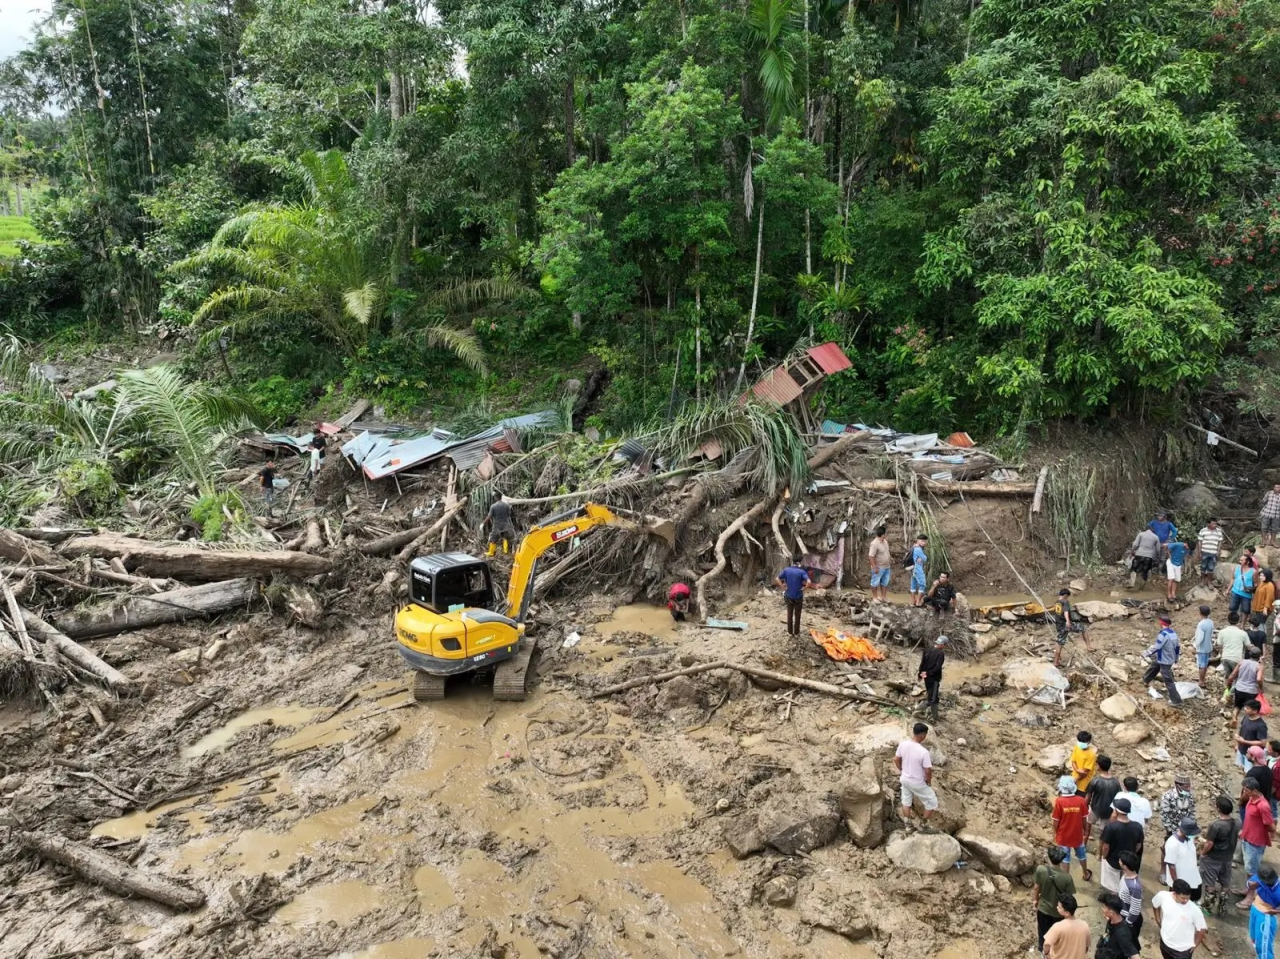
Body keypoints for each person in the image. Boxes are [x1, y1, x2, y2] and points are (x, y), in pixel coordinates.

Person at [1200, 796, 1240, 916]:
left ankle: (1207, 908)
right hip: (1227, 858)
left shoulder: (1215, 825)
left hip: (1213, 858)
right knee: (1225, 883)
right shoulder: (1237, 822)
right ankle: (1222, 909)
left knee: (1210, 883)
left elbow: (1209, 843)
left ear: (1218, 809)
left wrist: (1203, 853)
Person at [1033, 847, 1077, 951]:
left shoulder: (1041, 870)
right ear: (1061, 860)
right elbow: (1069, 896)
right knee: (1057, 934)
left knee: (1043, 932)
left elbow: (1036, 887)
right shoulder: (1067, 878)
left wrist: (1035, 900)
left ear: (1049, 858)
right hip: (1059, 912)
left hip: (1043, 908)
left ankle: (1042, 950)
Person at [1152, 878, 1207, 959]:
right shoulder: (1163, 896)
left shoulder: (1194, 910)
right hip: (1165, 943)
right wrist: (1158, 919)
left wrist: (1195, 945)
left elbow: (1202, 929)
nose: (1186, 900)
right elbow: (1155, 904)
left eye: (1188, 898)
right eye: (1183, 898)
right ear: (1175, 893)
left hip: (1182, 951)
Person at [894, 722, 937, 825]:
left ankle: (907, 825)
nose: (925, 737)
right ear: (922, 735)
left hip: (904, 779)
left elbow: (896, 759)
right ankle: (923, 825)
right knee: (932, 802)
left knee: (906, 801)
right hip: (917, 782)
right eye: (925, 735)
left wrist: (902, 770)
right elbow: (927, 771)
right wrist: (929, 782)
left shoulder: (903, 744)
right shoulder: (923, 752)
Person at [1100, 798, 1145, 894]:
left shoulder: (1111, 827)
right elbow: (1139, 845)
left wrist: (1104, 856)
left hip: (1112, 861)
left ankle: (1115, 901)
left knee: (1113, 887)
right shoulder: (1137, 826)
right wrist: (1131, 854)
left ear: (1116, 811)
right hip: (1128, 862)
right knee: (1124, 882)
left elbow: (1106, 847)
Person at [1240, 776, 1277, 890]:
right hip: (1247, 838)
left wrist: (1261, 829)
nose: (1244, 792)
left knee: (1253, 871)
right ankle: (1248, 890)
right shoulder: (1251, 799)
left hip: (1255, 842)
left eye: (1246, 790)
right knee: (1248, 868)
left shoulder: (1263, 806)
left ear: (1255, 791)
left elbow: (1271, 827)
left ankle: (1252, 896)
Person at [1053, 775, 1091, 882]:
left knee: (1065, 859)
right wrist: (1086, 830)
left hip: (1063, 836)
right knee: (1082, 855)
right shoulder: (1081, 801)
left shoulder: (1059, 802)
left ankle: (1066, 880)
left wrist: (1055, 833)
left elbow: (1056, 821)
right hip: (1077, 835)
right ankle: (1085, 873)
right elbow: (1084, 819)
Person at [1142, 616, 1183, 707]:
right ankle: (1146, 679)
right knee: (1155, 665)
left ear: (1162, 623)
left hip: (1165, 660)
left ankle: (1177, 701)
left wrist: (1147, 653)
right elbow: (1177, 647)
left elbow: (1157, 647)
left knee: (1168, 680)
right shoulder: (1173, 633)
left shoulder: (1163, 634)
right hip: (1169, 658)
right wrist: (1176, 658)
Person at [1244, 865, 1280, 959]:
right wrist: (1251, 885)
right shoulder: (1262, 875)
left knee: (1264, 948)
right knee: (1254, 938)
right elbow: (1249, 883)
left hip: (1265, 917)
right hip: (1254, 909)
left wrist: (1276, 911)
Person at [1052, 588, 1093, 668]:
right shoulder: (1065, 602)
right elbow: (1066, 612)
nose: (1067, 598)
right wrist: (1068, 621)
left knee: (1059, 643)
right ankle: (1088, 646)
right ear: (1065, 595)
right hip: (1065, 624)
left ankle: (1056, 662)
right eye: (1067, 597)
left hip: (1059, 625)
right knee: (1083, 628)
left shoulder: (1056, 603)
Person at [1162, 819, 1202, 900]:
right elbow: (1171, 865)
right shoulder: (1172, 844)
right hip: (1181, 881)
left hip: (1192, 876)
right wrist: (1177, 884)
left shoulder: (1189, 839)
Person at [1084, 753, 1120, 843]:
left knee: (1087, 831)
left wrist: (1084, 807)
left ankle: (1083, 847)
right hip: (1108, 811)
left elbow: (1088, 797)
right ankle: (1100, 855)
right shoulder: (1116, 782)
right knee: (1103, 835)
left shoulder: (1095, 781)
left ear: (1099, 766)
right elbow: (1118, 798)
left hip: (1094, 808)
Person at [1043, 893, 1091, 959]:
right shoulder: (1085, 926)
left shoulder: (1057, 927)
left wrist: (1046, 954)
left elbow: (1046, 944)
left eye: (1059, 907)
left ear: (1067, 913)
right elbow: (1086, 948)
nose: (1057, 907)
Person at [1096, 893, 1141, 959]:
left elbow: (1135, 956)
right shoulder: (1113, 919)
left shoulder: (1122, 934)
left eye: (1104, 907)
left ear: (1111, 912)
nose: (1102, 909)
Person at [775, 555, 812, 636]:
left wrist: (783, 587)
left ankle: (789, 632)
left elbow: (777, 578)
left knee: (789, 614)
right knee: (797, 614)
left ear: (793, 562)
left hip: (789, 595)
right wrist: (804, 589)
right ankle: (797, 632)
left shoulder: (786, 570)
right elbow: (809, 582)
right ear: (799, 563)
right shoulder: (801, 572)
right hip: (798, 596)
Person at [1231, 648, 1266, 722]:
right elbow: (1259, 679)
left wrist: (1228, 684)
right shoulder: (1259, 666)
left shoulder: (1242, 662)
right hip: (1251, 691)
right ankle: (1246, 722)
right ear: (1259, 656)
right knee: (1249, 708)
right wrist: (1261, 688)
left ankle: (1234, 718)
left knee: (1237, 706)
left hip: (1239, 688)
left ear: (1249, 654)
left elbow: (1233, 674)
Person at [918, 635, 947, 722]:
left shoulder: (927, 650)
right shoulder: (940, 653)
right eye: (945, 645)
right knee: (932, 699)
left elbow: (922, 663)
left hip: (926, 677)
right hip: (934, 679)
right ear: (942, 645)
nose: (945, 647)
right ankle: (917, 711)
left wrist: (920, 674)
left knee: (933, 696)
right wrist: (928, 673)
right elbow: (937, 668)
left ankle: (935, 716)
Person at [1159, 774, 1195, 843]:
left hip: (1187, 830)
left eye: (1189, 786)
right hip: (1173, 832)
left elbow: (1192, 811)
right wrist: (1171, 831)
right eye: (1186, 787)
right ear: (1178, 786)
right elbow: (1164, 816)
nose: (1189, 788)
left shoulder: (1190, 795)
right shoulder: (1168, 796)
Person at [1117, 851, 1144, 943]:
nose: (1119, 862)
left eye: (1120, 861)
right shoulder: (1125, 875)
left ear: (1125, 866)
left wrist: (1127, 923)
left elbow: (1135, 909)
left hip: (1127, 919)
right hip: (1121, 914)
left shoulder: (1134, 886)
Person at [1245, 745, 1275, 823]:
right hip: (1265, 803)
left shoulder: (1251, 773)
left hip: (1253, 804)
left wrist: (1241, 802)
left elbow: (1246, 792)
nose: (1246, 754)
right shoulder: (1268, 770)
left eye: (1248, 753)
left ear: (1253, 757)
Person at [1239, 700, 1270, 773]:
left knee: (1250, 772)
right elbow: (1241, 729)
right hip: (1242, 749)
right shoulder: (1246, 717)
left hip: (1253, 756)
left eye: (1247, 708)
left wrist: (1244, 741)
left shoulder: (1261, 726)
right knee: (1243, 767)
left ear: (1255, 711)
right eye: (1245, 707)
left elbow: (1262, 742)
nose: (1244, 709)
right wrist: (1237, 744)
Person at [484, 492, 516, 557]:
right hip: (505, 524)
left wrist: (483, 523)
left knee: (493, 538)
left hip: (497, 525)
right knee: (505, 537)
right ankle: (505, 551)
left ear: (495, 497)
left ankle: (491, 552)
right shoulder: (506, 505)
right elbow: (508, 514)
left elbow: (489, 516)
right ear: (501, 497)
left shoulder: (493, 506)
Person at [1197, 518, 1225, 586]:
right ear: (1208, 524)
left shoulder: (1218, 531)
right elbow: (1200, 542)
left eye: (1215, 524)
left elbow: (1220, 542)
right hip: (1204, 551)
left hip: (1213, 552)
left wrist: (1218, 551)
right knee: (1203, 566)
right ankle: (1202, 580)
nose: (1214, 525)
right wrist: (1199, 552)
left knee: (1211, 567)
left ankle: (1209, 581)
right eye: (1213, 524)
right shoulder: (1203, 530)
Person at [1222, 611, 1251, 678]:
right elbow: (1248, 647)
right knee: (1237, 677)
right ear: (1238, 621)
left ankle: (1227, 688)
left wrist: (1222, 654)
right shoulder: (1243, 633)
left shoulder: (1222, 632)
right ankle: (1235, 688)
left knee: (1227, 677)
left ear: (1228, 620)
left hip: (1225, 657)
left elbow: (1220, 645)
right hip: (1236, 658)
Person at [867, 525, 891, 602]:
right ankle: (875, 597)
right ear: (883, 535)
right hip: (879, 567)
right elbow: (871, 556)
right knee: (875, 582)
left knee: (885, 582)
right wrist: (874, 567)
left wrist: (891, 558)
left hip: (887, 566)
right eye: (885, 534)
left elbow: (886, 552)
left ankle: (883, 597)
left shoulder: (885, 542)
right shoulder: (874, 544)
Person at [1072, 731, 1100, 795]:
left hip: (1082, 785)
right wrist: (1077, 770)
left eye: (1083, 742)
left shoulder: (1091, 755)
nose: (1081, 743)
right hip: (1073, 779)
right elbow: (1073, 761)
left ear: (1089, 742)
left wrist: (1075, 780)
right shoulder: (1077, 747)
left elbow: (1085, 773)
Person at [1195, 606, 1215, 685]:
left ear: (1200, 613)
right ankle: (1203, 679)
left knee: (1201, 665)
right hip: (1208, 646)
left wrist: (1196, 646)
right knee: (1205, 664)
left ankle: (1201, 681)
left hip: (1202, 648)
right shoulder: (1210, 622)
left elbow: (1199, 637)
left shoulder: (1201, 624)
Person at [1165, 536, 1189, 602]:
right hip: (1171, 562)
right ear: (1185, 543)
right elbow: (1166, 545)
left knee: (1176, 579)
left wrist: (1183, 567)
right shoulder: (1178, 544)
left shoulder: (1187, 549)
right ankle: (1168, 594)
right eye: (1187, 546)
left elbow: (1184, 557)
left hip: (1178, 564)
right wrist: (1169, 554)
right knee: (1171, 578)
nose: (1187, 548)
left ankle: (1173, 593)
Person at [909, 534, 928, 608]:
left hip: (913, 568)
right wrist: (923, 558)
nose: (924, 543)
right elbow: (924, 558)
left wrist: (921, 558)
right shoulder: (918, 549)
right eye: (922, 541)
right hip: (918, 568)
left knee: (913, 584)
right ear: (918, 541)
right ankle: (918, 601)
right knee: (922, 584)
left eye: (925, 541)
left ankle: (913, 600)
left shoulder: (913, 547)